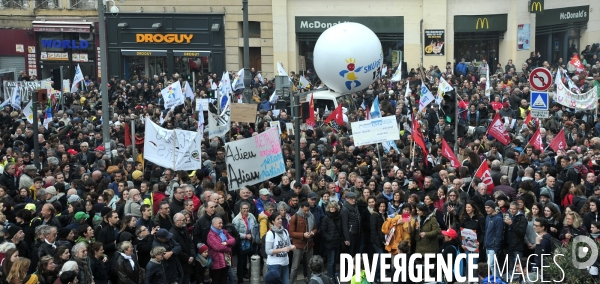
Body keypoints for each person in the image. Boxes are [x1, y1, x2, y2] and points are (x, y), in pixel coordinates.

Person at [289, 201, 317, 284]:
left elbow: (315, 228)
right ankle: (292, 282)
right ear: (301, 208)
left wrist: (312, 233)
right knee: (295, 266)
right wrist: (303, 235)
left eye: (308, 210)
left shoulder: (311, 216)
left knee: (310, 266)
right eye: (305, 210)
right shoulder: (295, 217)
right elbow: (291, 232)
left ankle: (310, 281)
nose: (307, 212)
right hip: (298, 244)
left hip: (309, 244)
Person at [232, 201, 259, 284]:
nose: (246, 210)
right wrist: (245, 236)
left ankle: (253, 279)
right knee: (241, 262)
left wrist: (255, 236)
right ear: (240, 209)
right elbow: (235, 233)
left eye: (247, 208)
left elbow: (255, 227)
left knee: (253, 261)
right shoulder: (236, 220)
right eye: (244, 208)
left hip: (252, 242)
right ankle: (240, 280)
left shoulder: (252, 216)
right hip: (242, 243)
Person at [265, 212, 294, 284]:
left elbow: (288, 245)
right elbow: (268, 251)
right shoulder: (270, 233)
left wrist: (292, 247)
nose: (280, 220)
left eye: (281, 218)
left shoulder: (285, 231)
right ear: (273, 221)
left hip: (285, 263)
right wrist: (282, 249)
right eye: (278, 219)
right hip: (274, 264)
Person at [206, 217, 235, 284]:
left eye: (222, 223)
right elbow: (218, 247)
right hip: (217, 261)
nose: (221, 225)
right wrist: (229, 249)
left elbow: (233, 240)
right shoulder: (211, 235)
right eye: (219, 223)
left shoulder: (224, 231)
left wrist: (226, 243)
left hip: (226, 260)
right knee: (216, 279)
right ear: (213, 224)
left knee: (224, 278)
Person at [320, 200, 342, 279]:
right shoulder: (326, 218)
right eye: (330, 207)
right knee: (331, 261)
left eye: (333, 207)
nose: (332, 209)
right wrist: (329, 238)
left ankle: (333, 273)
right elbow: (323, 231)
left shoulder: (338, 217)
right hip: (329, 243)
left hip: (337, 242)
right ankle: (330, 276)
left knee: (335, 260)